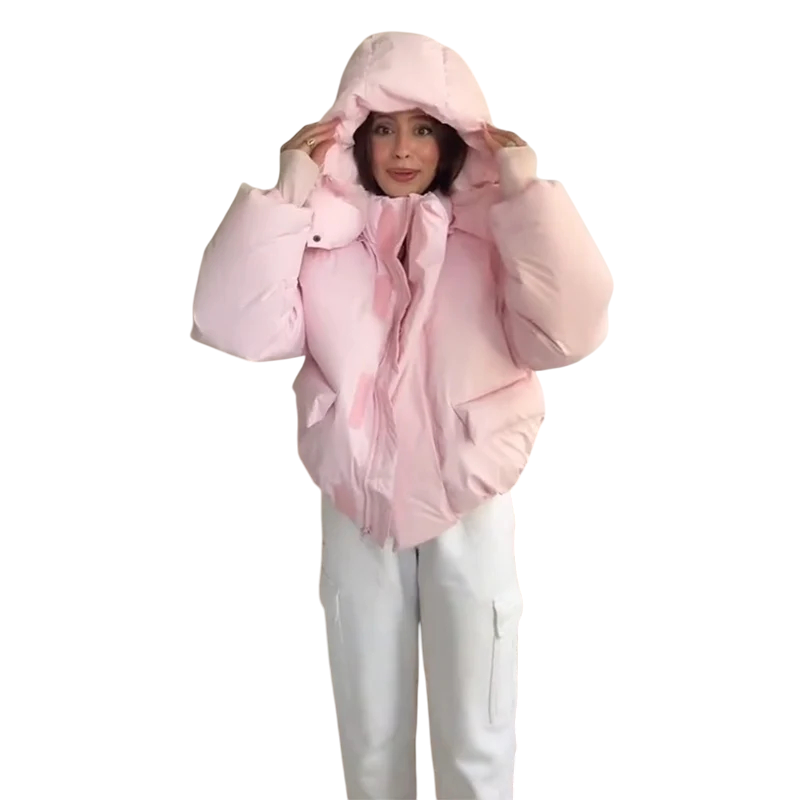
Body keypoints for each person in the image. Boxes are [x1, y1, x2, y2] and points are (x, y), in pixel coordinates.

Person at [190, 30, 613, 800]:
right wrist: (286, 197)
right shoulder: (324, 238)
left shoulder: (496, 233)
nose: (403, 149)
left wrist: (527, 197)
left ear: (454, 139)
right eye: (383, 128)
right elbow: (234, 325)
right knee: (371, 742)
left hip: (469, 504)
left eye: (423, 128)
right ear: (354, 136)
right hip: (358, 505)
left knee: (477, 738)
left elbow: (570, 330)